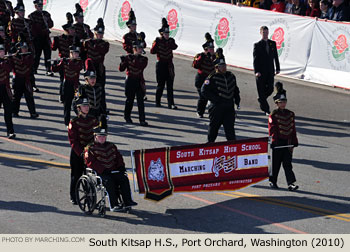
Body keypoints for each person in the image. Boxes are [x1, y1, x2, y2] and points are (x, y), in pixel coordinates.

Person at [84, 117, 137, 211]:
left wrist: (121, 166)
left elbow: (118, 157)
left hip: (113, 171)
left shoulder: (111, 146)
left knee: (124, 178)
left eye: (104, 136)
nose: (102, 138)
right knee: (109, 182)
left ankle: (128, 201)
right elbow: (91, 162)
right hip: (102, 173)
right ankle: (114, 204)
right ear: (95, 136)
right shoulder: (90, 148)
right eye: (100, 136)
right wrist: (103, 170)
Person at [201, 55, 240, 143]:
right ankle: (210, 145)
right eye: (222, 66)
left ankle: (232, 147)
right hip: (216, 108)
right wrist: (216, 100)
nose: (224, 67)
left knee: (230, 129)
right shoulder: (211, 78)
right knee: (214, 128)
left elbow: (235, 89)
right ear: (216, 67)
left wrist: (237, 100)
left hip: (229, 107)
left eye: (225, 65)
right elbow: (204, 91)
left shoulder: (231, 76)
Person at [68, 95, 99, 204]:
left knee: (89, 176)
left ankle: (89, 196)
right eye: (84, 106)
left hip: (90, 152)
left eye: (87, 105)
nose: (86, 107)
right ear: (78, 108)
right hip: (78, 153)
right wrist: (81, 152)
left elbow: (97, 136)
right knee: (76, 175)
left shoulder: (93, 120)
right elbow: (73, 141)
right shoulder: (74, 122)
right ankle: (74, 196)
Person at [268, 82, 299, 191]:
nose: (283, 104)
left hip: (288, 142)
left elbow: (293, 129)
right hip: (278, 143)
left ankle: (291, 183)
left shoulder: (290, 114)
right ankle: (272, 181)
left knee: (288, 164)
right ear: (277, 103)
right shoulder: (274, 115)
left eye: (284, 102)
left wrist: (294, 141)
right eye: (281, 102)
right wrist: (274, 141)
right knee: (276, 164)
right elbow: (272, 129)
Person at [52, 43, 83, 126]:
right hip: (67, 85)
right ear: (71, 54)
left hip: (76, 85)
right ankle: (67, 122)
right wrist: (55, 63)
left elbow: (77, 68)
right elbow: (55, 69)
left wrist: (68, 62)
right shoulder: (65, 61)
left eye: (77, 53)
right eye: (75, 53)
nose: (76, 55)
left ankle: (81, 119)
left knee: (78, 104)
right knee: (67, 105)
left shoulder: (79, 62)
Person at [119, 39, 149, 126]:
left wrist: (132, 58)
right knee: (130, 100)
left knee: (140, 101)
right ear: (134, 48)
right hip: (130, 80)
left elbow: (140, 66)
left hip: (139, 81)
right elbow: (121, 69)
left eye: (141, 48)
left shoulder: (144, 59)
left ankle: (142, 119)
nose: (140, 50)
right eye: (139, 48)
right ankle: (127, 117)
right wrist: (122, 61)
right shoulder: (128, 58)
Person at [150, 18, 178, 109]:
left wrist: (168, 42)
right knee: (160, 84)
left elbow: (175, 47)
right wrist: (157, 43)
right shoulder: (158, 41)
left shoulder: (171, 41)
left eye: (168, 33)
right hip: (160, 64)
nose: (167, 35)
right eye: (165, 33)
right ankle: (157, 101)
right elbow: (152, 51)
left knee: (170, 85)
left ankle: (171, 103)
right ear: (162, 33)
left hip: (169, 65)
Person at [83, 18, 109, 113]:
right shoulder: (87, 42)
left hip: (99, 68)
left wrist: (92, 39)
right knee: (89, 88)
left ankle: (102, 108)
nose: (100, 35)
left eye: (101, 34)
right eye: (98, 33)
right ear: (95, 33)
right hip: (90, 68)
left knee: (100, 89)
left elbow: (101, 50)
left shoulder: (105, 44)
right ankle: (88, 107)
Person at [253, 26, 280, 115]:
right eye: (264, 33)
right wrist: (256, 71)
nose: (265, 34)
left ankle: (261, 99)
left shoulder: (272, 43)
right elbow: (255, 60)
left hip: (270, 70)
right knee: (261, 89)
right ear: (261, 33)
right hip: (261, 72)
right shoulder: (257, 45)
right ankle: (266, 109)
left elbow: (276, 57)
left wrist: (277, 68)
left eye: (267, 32)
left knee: (270, 89)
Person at [11, 33, 39, 119]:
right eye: (23, 48)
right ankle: (14, 112)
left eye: (26, 48)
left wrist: (20, 57)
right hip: (17, 79)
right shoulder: (14, 57)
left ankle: (33, 113)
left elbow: (27, 63)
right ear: (19, 49)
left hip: (27, 79)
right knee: (16, 97)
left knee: (29, 96)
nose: (25, 49)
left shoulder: (29, 56)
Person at [52, 12, 75, 102]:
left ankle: (71, 96)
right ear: (67, 30)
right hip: (63, 61)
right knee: (63, 79)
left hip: (73, 61)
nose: (74, 31)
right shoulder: (58, 38)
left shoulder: (75, 38)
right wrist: (53, 41)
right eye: (72, 29)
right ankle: (62, 96)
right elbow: (53, 48)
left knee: (73, 79)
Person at [192, 33, 217, 118]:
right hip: (201, 79)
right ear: (206, 49)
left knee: (212, 96)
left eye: (213, 48)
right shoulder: (201, 56)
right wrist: (202, 57)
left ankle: (212, 111)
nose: (212, 50)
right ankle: (200, 111)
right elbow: (195, 65)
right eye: (210, 49)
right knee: (203, 96)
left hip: (211, 79)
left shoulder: (215, 57)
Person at [28, 0, 54, 76]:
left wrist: (47, 20)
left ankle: (48, 69)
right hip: (37, 38)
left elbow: (51, 24)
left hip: (45, 37)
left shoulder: (46, 14)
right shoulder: (32, 16)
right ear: (35, 6)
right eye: (39, 6)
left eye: (41, 6)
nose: (40, 7)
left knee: (48, 54)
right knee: (37, 54)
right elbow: (33, 28)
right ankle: (34, 68)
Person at [0, 37, 15, 139]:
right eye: (0, 51)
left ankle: (10, 131)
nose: (2, 53)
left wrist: (13, 56)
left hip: (5, 89)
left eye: (3, 51)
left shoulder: (7, 61)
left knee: (8, 112)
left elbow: (10, 68)